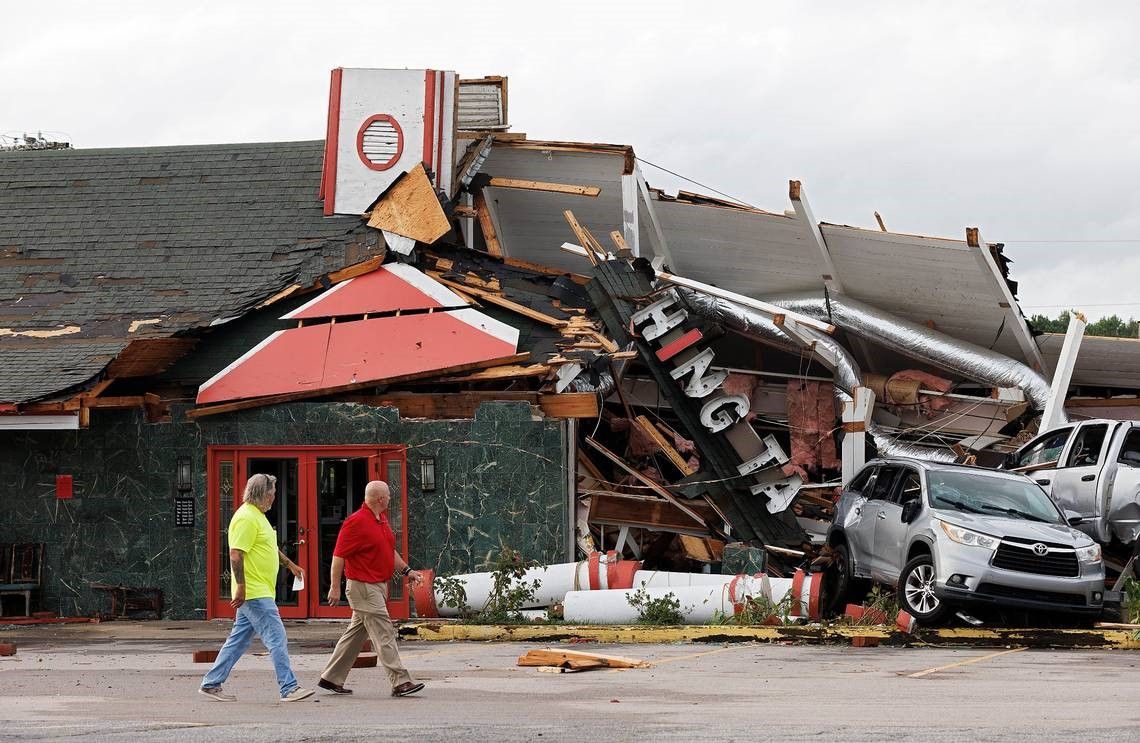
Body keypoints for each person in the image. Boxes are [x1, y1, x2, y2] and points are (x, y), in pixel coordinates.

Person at [199, 473, 314, 703]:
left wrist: (290, 564)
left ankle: (212, 683)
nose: (273, 498)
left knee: (238, 641)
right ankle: (289, 688)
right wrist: (241, 586)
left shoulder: (258, 516)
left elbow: (269, 547)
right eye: (271, 494)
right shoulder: (246, 518)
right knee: (277, 636)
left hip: (258, 590)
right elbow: (235, 554)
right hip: (254, 592)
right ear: (262, 494)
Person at [318, 480, 425, 698]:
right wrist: (334, 587)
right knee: (384, 632)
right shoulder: (355, 522)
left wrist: (407, 571)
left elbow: (389, 551)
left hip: (376, 585)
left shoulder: (380, 520)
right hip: (363, 587)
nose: (390, 499)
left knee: (355, 635)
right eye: (388, 496)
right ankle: (400, 681)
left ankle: (330, 678)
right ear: (380, 499)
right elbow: (338, 556)